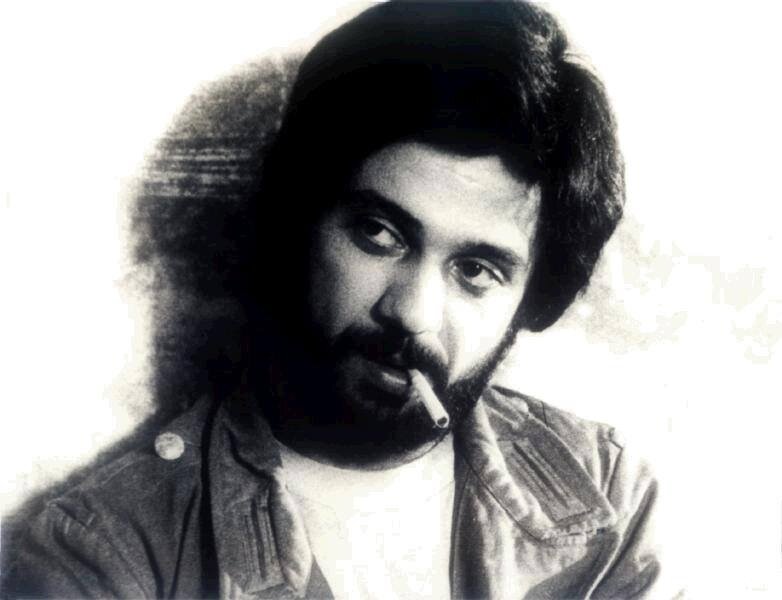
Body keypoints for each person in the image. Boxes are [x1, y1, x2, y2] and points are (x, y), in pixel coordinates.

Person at [4, 1, 668, 598]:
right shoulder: (105, 555)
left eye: (476, 271)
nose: (412, 312)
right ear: (296, 217)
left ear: (533, 301)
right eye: (379, 233)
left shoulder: (608, 498)